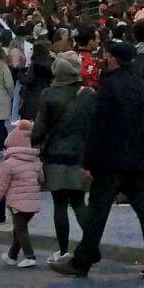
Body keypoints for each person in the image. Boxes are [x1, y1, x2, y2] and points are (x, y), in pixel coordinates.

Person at [51, 40, 144, 280]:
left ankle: (82, 261)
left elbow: (99, 128)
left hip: (109, 160)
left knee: (97, 213)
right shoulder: (143, 87)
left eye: (106, 55)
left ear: (113, 58)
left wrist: (87, 162)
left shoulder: (108, 88)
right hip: (136, 158)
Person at [30, 49, 94, 262]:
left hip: (55, 154)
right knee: (78, 202)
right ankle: (91, 243)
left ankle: (64, 249)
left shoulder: (48, 94)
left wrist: (34, 141)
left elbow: (39, 130)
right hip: (81, 155)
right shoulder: (88, 94)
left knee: (59, 204)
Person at [0, 120, 41, 266]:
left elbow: (1, 186)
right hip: (33, 202)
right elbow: (42, 178)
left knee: (21, 229)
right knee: (19, 228)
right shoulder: (36, 161)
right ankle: (12, 255)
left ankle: (30, 256)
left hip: (17, 203)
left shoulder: (9, 164)